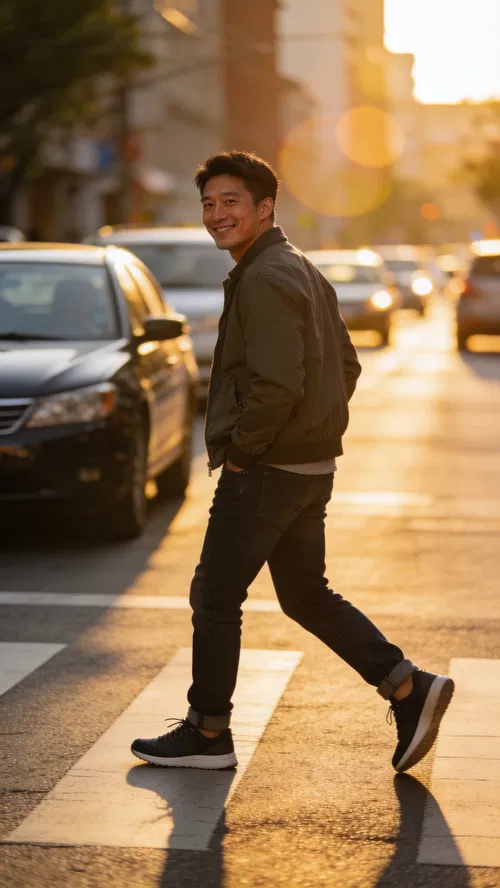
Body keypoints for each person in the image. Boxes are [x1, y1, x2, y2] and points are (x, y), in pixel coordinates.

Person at [131, 151, 454, 774]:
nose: (217, 215)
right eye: (208, 204)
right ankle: (407, 687)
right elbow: (346, 367)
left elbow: (280, 383)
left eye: (230, 202)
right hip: (308, 467)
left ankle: (207, 731)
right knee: (305, 594)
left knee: (216, 594)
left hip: (271, 471)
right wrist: (312, 435)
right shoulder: (296, 266)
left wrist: (250, 453)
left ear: (264, 208)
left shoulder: (264, 276)